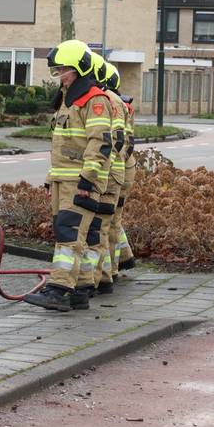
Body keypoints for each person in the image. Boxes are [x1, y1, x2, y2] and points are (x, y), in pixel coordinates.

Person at [22, 40, 113, 312]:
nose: (59, 75)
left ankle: (59, 290)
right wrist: (52, 180)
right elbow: (62, 146)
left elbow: (100, 144)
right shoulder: (67, 101)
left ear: (78, 70)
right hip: (64, 181)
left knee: (69, 235)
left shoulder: (95, 101)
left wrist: (88, 181)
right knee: (76, 236)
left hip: (80, 182)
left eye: (63, 70)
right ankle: (80, 290)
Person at [92, 60, 128, 295]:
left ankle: (101, 277)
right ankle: (110, 270)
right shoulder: (114, 100)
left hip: (107, 175)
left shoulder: (105, 102)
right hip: (115, 173)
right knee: (108, 225)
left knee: (100, 227)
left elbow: (108, 142)